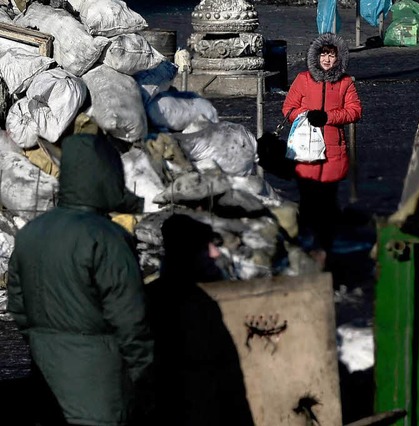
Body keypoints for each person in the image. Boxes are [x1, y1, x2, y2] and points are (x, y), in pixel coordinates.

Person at [7, 132, 153, 426]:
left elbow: (18, 304)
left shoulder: (32, 234)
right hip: (100, 380)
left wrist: (42, 341)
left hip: (46, 373)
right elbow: (130, 318)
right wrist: (147, 376)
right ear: (105, 175)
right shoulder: (107, 238)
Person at [145, 213, 254, 426]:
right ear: (190, 254)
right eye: (206, 248)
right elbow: (225, 374)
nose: (214, 254)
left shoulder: (152, 295)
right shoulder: (197, 304)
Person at [282, 32, 363, 264]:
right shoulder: (303, 80)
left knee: (328, 203)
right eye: (323, 55)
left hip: (332, 153)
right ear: (316, 56)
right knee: (307, 202)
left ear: (338, 58)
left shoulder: (345, 82)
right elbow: (288, 108)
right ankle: (304, 249)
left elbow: (355, 111)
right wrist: (306, 116)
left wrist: (328, 117)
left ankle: (325, 250)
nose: (327, 60)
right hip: (305, 151)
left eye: (331, 55)